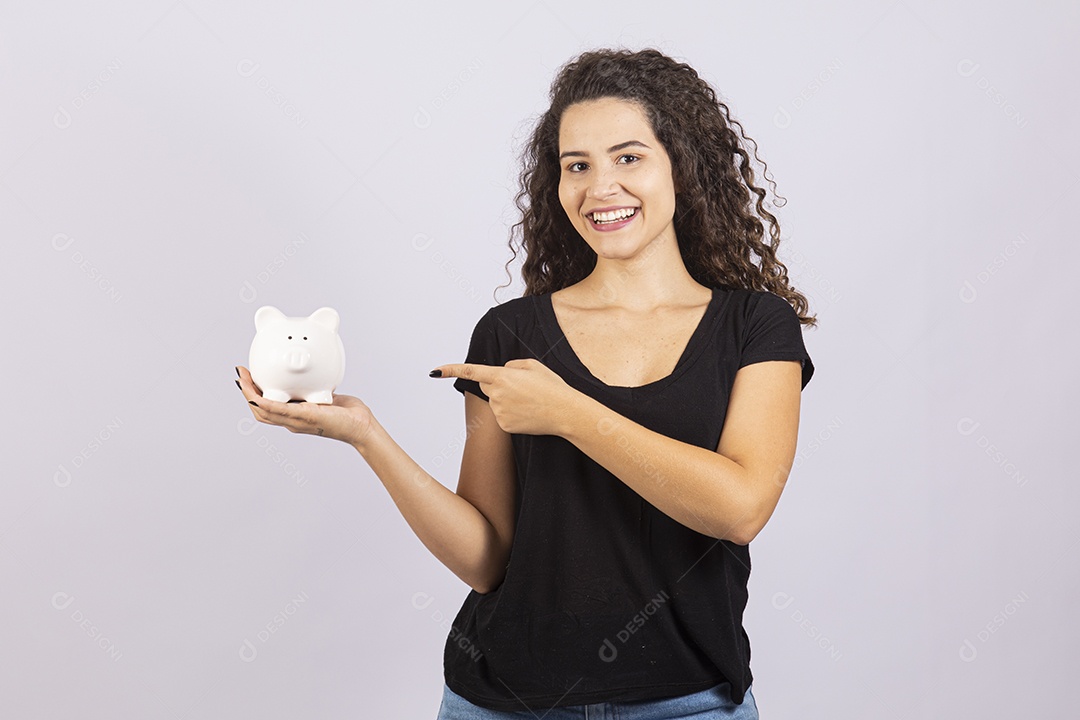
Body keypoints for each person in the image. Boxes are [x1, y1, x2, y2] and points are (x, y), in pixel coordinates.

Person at [236, 47, 815, 720]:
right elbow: (486, 560)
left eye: (628, 158)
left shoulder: (754, 325)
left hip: (690, 704)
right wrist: (366, 435)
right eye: (577, 165)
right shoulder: (510, 334)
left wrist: (569, 412)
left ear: (681, 167)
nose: (600, 187)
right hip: (502, 703)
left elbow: (740, 509)